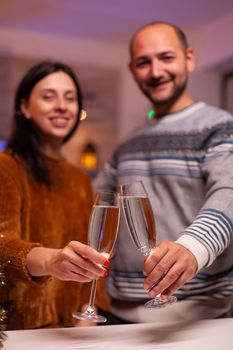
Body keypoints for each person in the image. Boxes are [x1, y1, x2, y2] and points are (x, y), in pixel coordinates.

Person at [95, 21, 233, 324]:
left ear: (190, 58)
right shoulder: (126, 144)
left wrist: (192, 248)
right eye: (144, 62)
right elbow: (94, 209)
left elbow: (229, 193)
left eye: (166, 57)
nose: (156, 72)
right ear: (132, 70)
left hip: (200, 317)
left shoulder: (220, 126)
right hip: (118, 315)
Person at [0, 61, 110, 330]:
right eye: (48, 96)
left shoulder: (81, 180)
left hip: (73, 331)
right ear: (25, 107)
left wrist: (89, 310)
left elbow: (93, 252)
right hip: (20, 330)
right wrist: (52, 261)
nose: (62, 105)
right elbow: (2, 246)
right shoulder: (6, 167)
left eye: (70, 98)